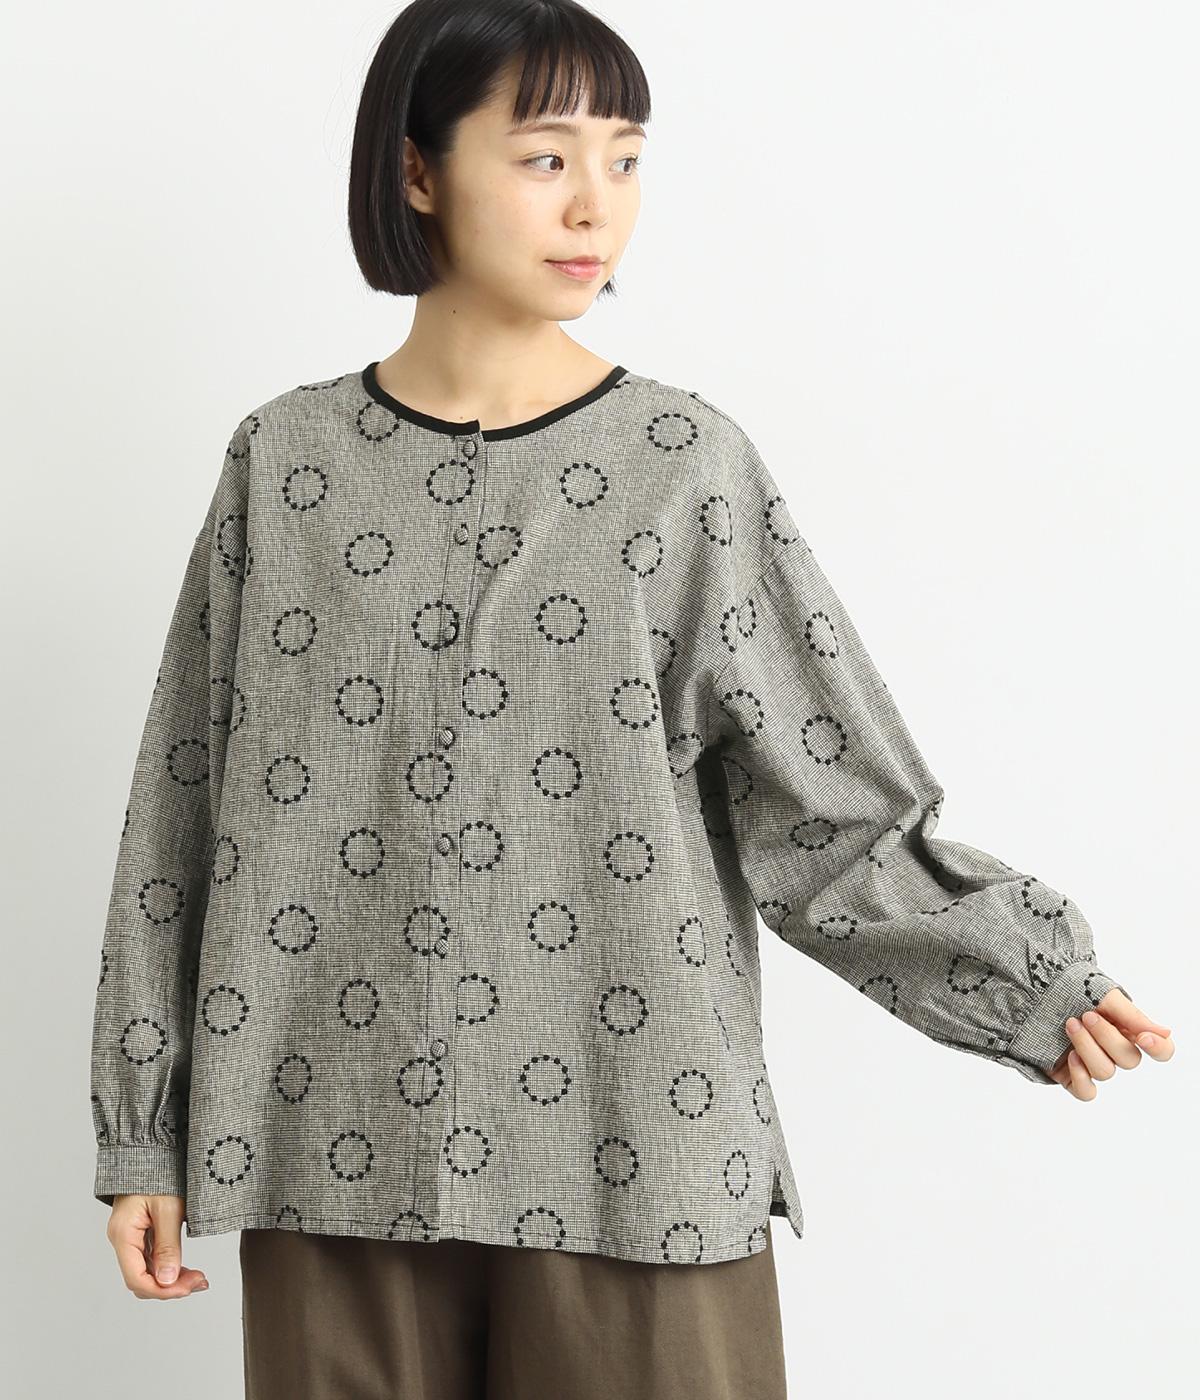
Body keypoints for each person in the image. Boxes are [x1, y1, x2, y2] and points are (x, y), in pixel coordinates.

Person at [89, 2, 1175, 1396]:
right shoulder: (284, 463)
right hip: (325, 1141)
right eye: (545, 157)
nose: (596, 204)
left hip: (633, 1142)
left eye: (627, 157)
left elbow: (826, 806)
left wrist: (1023, 976)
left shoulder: (684, 465)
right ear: (417, 170)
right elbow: (182, 808)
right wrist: (145, 1121)